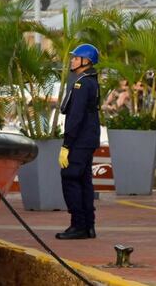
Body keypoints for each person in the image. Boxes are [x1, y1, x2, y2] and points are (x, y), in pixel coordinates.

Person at [56, 43, 101, 240]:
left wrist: (67, 144)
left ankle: (78, 225)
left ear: (86, 61)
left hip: (80, 139)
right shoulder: (89, 81)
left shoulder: (82, 83)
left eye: (76, 57)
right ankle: (88, 225)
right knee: (84, 180)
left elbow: (75, 117)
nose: (72, 60)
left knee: (70, 178)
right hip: (88, 137)